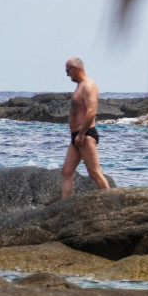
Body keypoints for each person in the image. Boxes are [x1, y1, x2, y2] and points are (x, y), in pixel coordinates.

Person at [61, 57, 111, 197]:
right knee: (66, 171)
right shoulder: (80, 86)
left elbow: (91, 111)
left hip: (86, 135)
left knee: (95, 172)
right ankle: (64, 206)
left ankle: (110, 203)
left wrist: (82, 134)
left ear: (75, 68)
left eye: (67, 70)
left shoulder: (88, 85)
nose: (67, 74)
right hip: (76, 136)